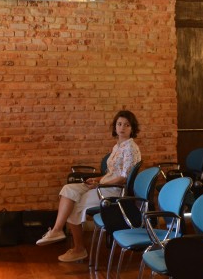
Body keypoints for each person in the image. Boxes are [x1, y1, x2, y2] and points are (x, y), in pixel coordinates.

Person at [36, 110, 142, 262]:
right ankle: (57, 230)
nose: (122, 128)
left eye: (126, 125)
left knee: (75, 203)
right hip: (104, 184)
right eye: (119, 124)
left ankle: (79, 249)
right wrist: (97, 179)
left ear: (132, 129)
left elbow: (123, 178)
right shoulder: (118, 146)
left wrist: (100, 183)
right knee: (68, 189)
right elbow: (111, 172)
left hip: (113, 191)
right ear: (115, 127)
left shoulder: (130, 148)